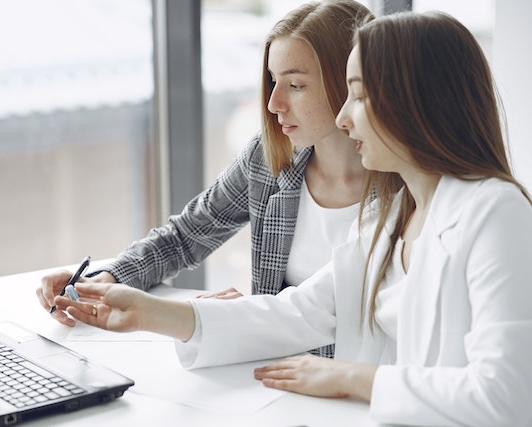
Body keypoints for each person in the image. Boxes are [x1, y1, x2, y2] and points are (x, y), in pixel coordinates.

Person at [52, 10, 532, 427]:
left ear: (416, 102)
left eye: (359, 97)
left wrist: (348, 377)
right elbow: (301, 310)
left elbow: (505, 396)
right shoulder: (393, 218)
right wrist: (146, 311)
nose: (346, 118)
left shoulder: (495, 213)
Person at [37, 1, 373, 358]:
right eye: (273, 82)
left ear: (349, 83)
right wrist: (107, 279)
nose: (274, 103)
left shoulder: (411, 189)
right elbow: (184, 237)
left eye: (295, 85)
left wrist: (235, 321)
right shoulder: (269, 159)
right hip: (272, 376)